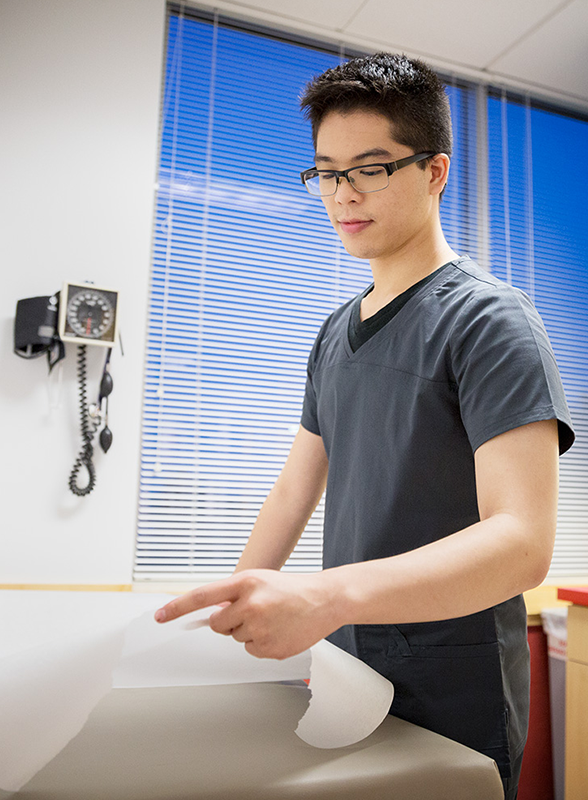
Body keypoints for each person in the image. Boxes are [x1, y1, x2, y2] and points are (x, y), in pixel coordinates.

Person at [155, 52, 574, 799]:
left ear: (435, 171)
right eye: (327, 172)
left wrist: (325, 598)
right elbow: (296, 486)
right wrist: (235, 605)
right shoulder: (334, 332)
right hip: (350, 672)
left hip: (453, 687)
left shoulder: (489, 321)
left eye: (371, 168)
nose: (343, 194)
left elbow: (522, 543)